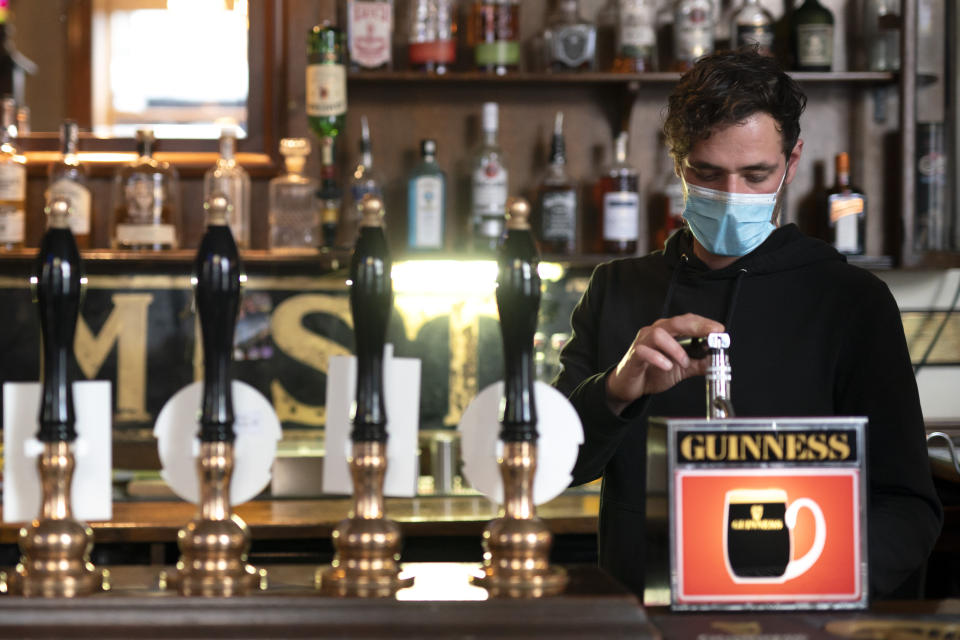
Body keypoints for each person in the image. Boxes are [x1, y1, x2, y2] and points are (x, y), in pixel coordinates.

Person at [555, 48, 942, 599]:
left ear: (792, 160)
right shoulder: (617, 289)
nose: (733, 196)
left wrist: (805, 588)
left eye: (756, 174)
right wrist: (614, 392)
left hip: (802, 622)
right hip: (643, 619)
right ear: (677, 160)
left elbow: (907, 507)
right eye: (707, 173)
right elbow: (552, 465)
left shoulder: (852, 301)